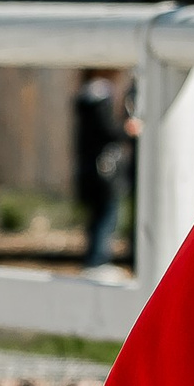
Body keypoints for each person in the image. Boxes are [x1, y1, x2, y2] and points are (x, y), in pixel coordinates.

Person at [72, 68, 140, 278]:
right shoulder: (99, 99)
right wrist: (127, 130)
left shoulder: (86, 99)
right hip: (104, 173)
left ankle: (95, 259)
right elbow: (107, 130)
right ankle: (97, 261)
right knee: (106, 216)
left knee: (98, 217)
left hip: (91, 171)